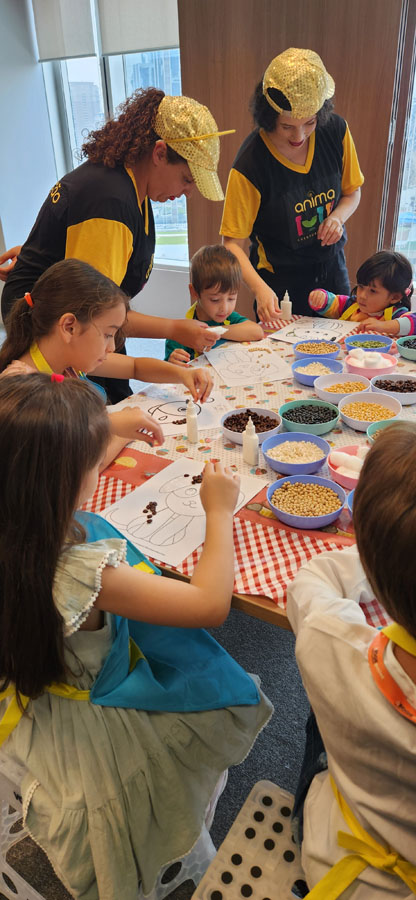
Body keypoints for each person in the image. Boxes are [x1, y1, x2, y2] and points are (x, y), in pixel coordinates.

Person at [0, 373, 272, 900]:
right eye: (92, 460)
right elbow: (210, 605)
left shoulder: (18, 528)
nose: (99, 464)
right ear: (64, 483)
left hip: (31, 689)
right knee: (207, 696)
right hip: (92, 725)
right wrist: (219, 510)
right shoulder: (75, 571)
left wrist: (108, 429)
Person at [0, 88, 235, 401]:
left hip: (72, 320)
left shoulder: (133, 186)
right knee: (96, 406)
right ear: (159, 153)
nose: (188, 192)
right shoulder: (110, 203)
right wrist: (174, 328)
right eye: (187, 179)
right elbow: (96, 311)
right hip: (44, 329)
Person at [286, 421, 416, 898]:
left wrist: (382, 551)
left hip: (341, 864)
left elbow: (312, 583)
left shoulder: (333, 644)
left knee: (319, 720)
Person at [0, 258, 213, 468]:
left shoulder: (66, 358)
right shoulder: (25, 392)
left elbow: (135, 367)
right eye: (108, 335)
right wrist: (119, 431)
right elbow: (85, 464)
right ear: (69, 327)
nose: (111, 347)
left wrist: (182, 374)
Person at [220, 48, 364, 321]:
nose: (299, 136)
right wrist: (260, 289)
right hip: (280, 281)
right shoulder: (251, 163)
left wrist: (337, 217)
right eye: (287, 126)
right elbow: (231, 244)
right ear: (268, 116)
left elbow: (352, 192)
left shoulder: (336, 131)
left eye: (309, 123)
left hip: (332, 271)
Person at [165, 243, 264, 364]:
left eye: (231, 298)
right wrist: (172, 361)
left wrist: (214, 331)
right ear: (194, 292)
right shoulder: (181, 333)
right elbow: (167, 372)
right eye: (215, 300)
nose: (225, 308)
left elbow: (257, 331)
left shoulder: (228, 319)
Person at [309, 249, 416, 336]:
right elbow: (331, 303)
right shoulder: (351, 305)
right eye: (360, 286)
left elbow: (413, 322)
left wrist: (383, 326)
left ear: (395, 297)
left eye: (373, 291)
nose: (362, 296)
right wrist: (320, 298)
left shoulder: (395, 314)